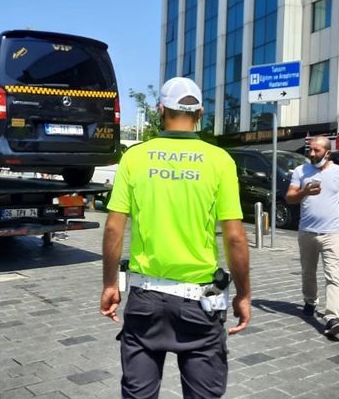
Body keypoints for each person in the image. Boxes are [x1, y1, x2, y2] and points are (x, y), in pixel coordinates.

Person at [100, 77, 251, 398]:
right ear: (199, 112)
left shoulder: (136, 157)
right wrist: (243, 295)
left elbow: (114, 227)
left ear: (160, 110)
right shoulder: (219, 160)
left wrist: (110, 285)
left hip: (145, 299)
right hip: (201, 298)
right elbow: (236, 237)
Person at [285, 136, 339, 336]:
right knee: (308, 272)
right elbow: (289, 197)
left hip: (332, 233)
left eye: (316, 151)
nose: (311, 154)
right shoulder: (301, 171)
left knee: (333, 276)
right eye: (310, 150)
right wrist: (304, 191)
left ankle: (332, 317)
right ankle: (310, 301)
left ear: (328, 152)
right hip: (307, 232)